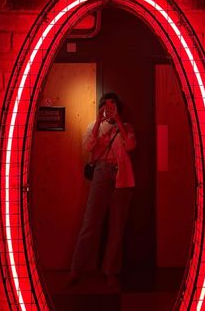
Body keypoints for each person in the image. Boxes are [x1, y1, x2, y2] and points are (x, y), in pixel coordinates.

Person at [68, 92, 136, 288]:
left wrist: (119, 122)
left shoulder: (127, 127)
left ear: (118, 107)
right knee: (90, 223)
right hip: (101, 173)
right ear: (101, 107)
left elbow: (131, 146)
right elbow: (88, 145)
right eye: (106, 105)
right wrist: (98, 122)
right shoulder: (94, 127)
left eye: (113, 105)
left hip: (122, 177)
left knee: (117, 227)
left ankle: (111, 271)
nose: (109, 108)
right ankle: (76, 268)